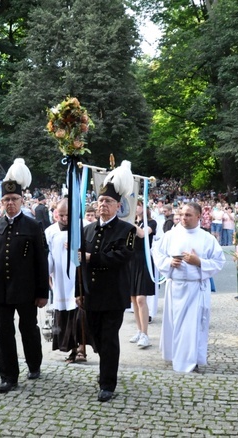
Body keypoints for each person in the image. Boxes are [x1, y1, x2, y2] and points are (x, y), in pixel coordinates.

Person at [0, 158, 49, 394]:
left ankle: (34, 363)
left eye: (14, 199)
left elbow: (41, 261)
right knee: (4, 333)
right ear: (1, 202)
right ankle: (8, 376)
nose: (10, 203)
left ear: (22, 200)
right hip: (0, 289)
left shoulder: (33, 226)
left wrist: (42, 292)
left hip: (26, 290)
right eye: (6, 200)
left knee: (28, 328)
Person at [79, 161, 136, 402]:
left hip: (113, 294)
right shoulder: (88, 229)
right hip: (91, 294)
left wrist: (95, 257)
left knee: (110, 338)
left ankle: (107, 384)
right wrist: (78, 290)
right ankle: (106, 368)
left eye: (108, 202)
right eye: (101, 201)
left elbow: (123, 257)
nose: (103, 205)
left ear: (118, 206)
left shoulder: (127, 230)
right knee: (96, 336)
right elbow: (79, 262)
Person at [153, 203, 225, 373]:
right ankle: (174, 355)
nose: (184, 218)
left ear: (199, 216)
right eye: (183, 214)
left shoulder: (207, 238)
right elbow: (157, 253)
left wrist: (199, 262)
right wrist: (169, 262)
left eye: (188, 215)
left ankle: (191, 361)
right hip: (175, 286)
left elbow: (219, 261)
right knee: (174, 324)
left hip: (195, 289)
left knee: (192, 327)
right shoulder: (171, 235)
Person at [46, 199, 87, 362]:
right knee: (65, 315)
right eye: (60, 215)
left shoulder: (81, 228)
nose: (63, 219)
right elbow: (48, 255)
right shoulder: (50, 231)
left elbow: (89, 250)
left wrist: (78, 247)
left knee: (80, 314)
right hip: (61, 280)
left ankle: (82, 348)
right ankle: (72, 348)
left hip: (77, 279)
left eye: (66, 215)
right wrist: (46, 273)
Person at [129, 200, 156, 349]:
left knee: (140, 298)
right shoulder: (133, 222)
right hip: (131, 261)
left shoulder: (152, 223)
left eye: (138, 205)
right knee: (133, 298)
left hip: (144, 259)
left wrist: (128, 222)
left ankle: (145, 333)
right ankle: (139, 330)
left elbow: (142, 234)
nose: (136, 208)